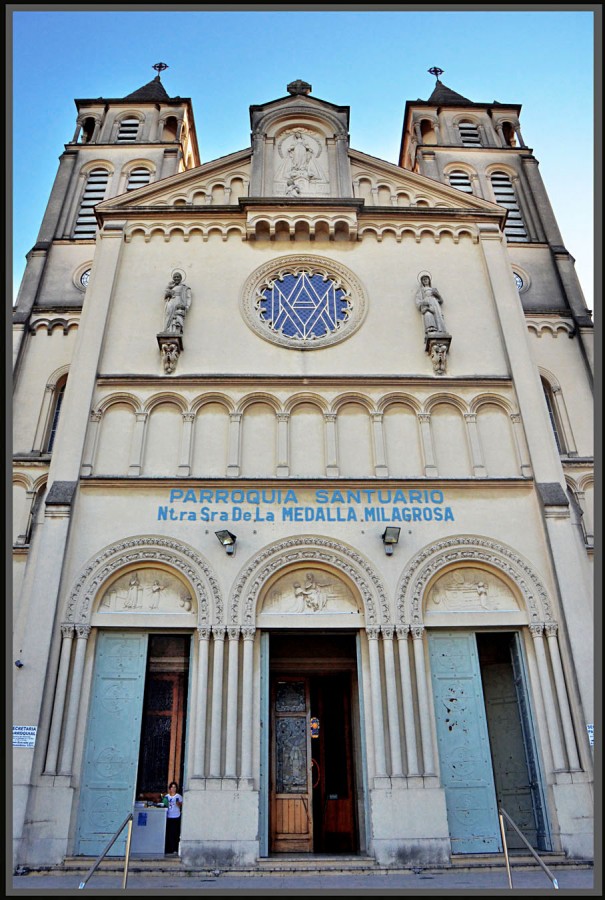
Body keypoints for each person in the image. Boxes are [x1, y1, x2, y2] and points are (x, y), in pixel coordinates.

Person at [163, 781, 183, 854]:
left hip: (176, 816)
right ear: (170, 788)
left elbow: (182, 805)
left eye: (175, 787)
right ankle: (168, 849)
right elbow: (164, 804)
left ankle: (175, 849)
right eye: (172, 787)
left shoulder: (178, 796)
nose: (173, 789)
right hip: (168, 816)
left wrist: (179, 804)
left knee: (175, 833)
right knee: (169, 833)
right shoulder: (167, 797)